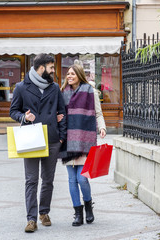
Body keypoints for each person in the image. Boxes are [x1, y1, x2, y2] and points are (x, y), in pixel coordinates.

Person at [10, 54, 67, 233]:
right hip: (31, 138)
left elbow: (62, 112)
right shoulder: (21, 87)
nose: (53, 71)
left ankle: (44, 212)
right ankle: (31, 219)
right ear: (41, 67)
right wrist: (23, 117)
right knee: (31, 180)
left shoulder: (55, 87)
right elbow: (13, 111)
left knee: (48, 180)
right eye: (51, 68)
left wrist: (61, 136)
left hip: (51, 138)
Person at [58, 64, 106, 227]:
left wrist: (102, 127)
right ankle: (78, 213)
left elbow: (98, 113)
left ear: (79, 75)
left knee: (82, 179)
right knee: (72, 180)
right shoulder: (62, 92)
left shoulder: (90, 91)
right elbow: (59, 113)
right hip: (67, 139)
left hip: (85, 139)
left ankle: (88, 206)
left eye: (72, 74)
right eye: (68, 74)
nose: (69, 76)